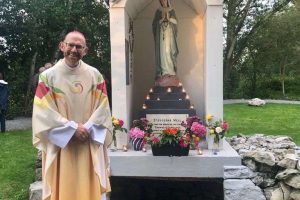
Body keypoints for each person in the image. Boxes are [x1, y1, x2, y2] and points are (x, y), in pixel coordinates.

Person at [32, 31, 113, 200]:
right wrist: (72, 129)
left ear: (85, 50)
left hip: (88, 141)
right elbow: (43, 112)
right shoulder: (47, 77)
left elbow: (103, 108)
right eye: (70, 45)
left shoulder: (95, 76)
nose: (74, 50)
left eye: (79, 46)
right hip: (62, 147)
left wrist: (86, 128)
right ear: (62, 46)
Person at [152, 0, 179, 86]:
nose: (163, 1)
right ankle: (163, 72)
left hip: (169, 34)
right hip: (161, 36)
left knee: (169, 52)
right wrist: (162, 20)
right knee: (163, 53)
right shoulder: (158, 11)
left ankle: (170, 71)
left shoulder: (172, 10)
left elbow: (176, 22)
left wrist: (169, 18)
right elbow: (154, 24)